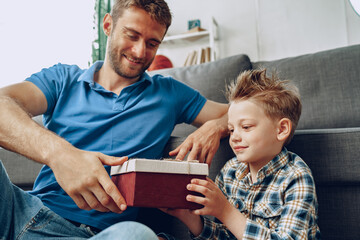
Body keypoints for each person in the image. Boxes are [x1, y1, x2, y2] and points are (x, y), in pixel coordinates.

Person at [0, 0, 229, 239]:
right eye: (132, 35)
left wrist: (214, 127)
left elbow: (238, 112)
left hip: (102, 235)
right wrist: (60, 155)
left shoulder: (170, 93)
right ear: (108, 25)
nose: (140, 52)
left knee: (138, 234)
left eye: (152, 43)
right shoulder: (62, 79)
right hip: (24, 214)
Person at [162, 69, 321, 239]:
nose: (235, 137)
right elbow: (224, 236)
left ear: (281, 129)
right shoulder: (229, 172)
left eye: (246, 127)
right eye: (231, 129)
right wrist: (189, 217)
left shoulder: (295, 176)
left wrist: (226, 211)